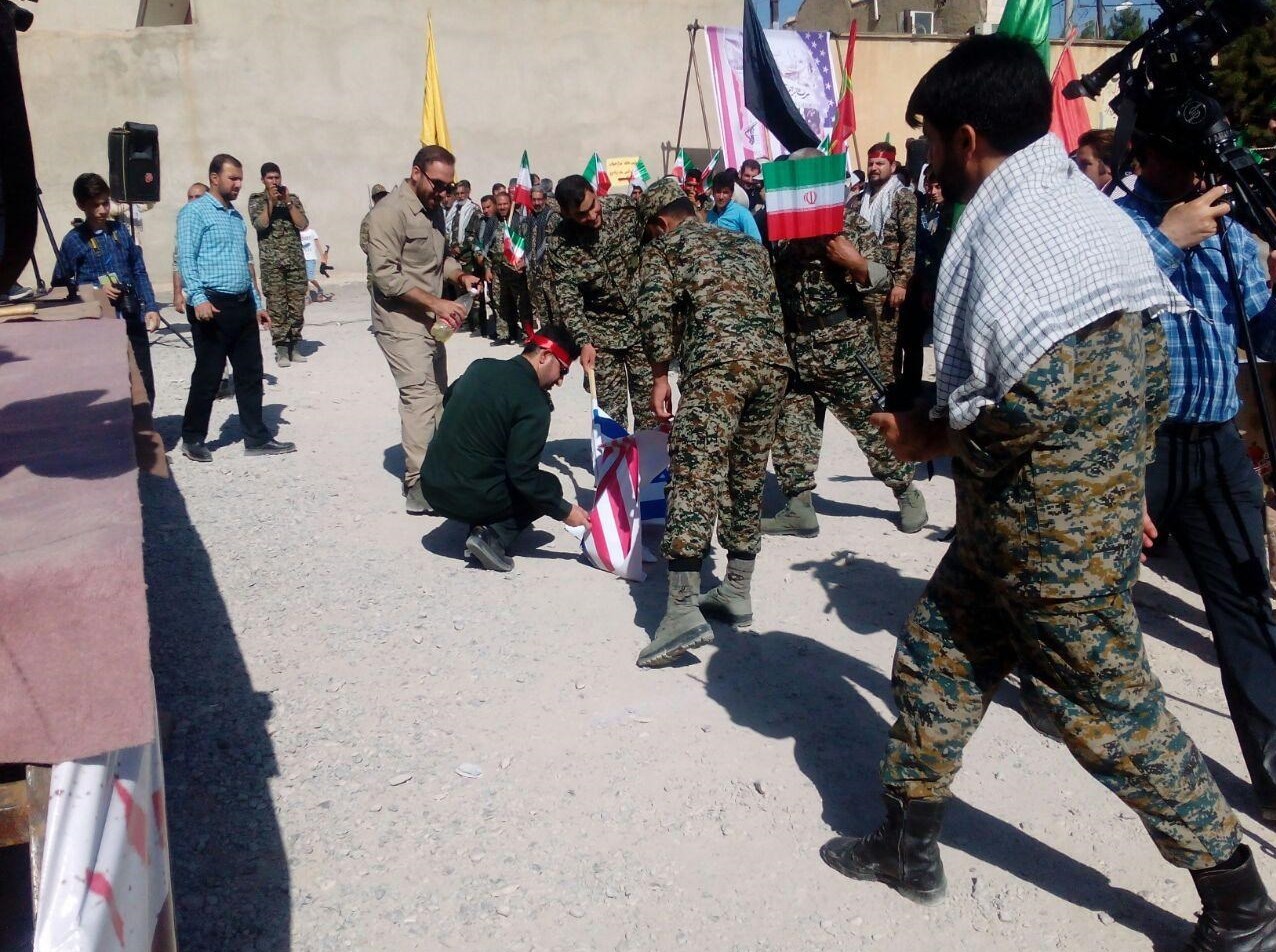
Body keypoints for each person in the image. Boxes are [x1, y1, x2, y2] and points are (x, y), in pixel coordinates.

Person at [831, 37, 1274, 951]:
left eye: (931, 142)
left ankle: (1242, 908)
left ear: (965, 137)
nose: (927, 162)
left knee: (1111, 715)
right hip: (1020, 521)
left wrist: (930, 437)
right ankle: (907, 843)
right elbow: (1147, 372)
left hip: (1051, 543)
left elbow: (1035, 398)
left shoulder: (1019, 238)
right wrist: (1115, 474)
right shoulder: (1082, 214)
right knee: (936, 658)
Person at [1117, 122, 1276, 824]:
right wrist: (1166, 239)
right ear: (1146, 153)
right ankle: (1036, 673)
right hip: (1134, 445)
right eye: (1181, 155)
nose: (1197, 171)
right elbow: (1091, 317)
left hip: (1216, 445)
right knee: (1086, 595)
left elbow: (1262, 334)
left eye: (1203, 159)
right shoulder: (1114, 225)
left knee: (1246, 606)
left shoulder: (1230, 232)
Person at [632, 177, 794, 668]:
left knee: (695, 473)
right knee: (746, 477)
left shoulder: (666, 248)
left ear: (660, 223)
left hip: (719, 369)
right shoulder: (746, 244)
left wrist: (660, 375)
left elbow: (655, 315)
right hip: (773, 368)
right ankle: (736, 590)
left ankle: (682, 609)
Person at [764, 149, 928, 537]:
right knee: (792, 428)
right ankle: (798, 506)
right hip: (797, 347)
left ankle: (907, 492)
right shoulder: (781, 233)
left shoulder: (848, 225)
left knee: (871, 426)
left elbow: (885, 281)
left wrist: (855, 264)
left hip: (845, 349)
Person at [364, 145, 478, 514]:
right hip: (399, 319)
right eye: (438, 184)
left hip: (430, 319)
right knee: (419, 395)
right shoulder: (388, 213)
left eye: (449, 186)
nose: (443, 193)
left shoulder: (434, 210)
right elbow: (386, 277)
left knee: (438, 394)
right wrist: (436, 303)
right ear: (416, 173)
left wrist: (459, 275)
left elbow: (439, 259)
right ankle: (418, 484)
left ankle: (439, 469)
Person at [420, 325, 589, 571]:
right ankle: (492, 536)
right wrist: (565, 510)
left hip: (431, 485)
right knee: (547, 486)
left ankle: (479, 518)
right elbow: (523, 475)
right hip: (465, 494)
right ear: (544, 356)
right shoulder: (534, 403)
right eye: (562, 370)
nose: (560, 381)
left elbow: (449, 399)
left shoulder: (480, 366)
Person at [177, 154, 295, 461]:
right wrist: (198, 298)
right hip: (212, 306)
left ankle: (256, 438)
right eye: (233, 178)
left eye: (240, 178)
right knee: (209, 375)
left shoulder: (234, 216)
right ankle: (193, 438)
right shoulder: (194, 212)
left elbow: (244, 261)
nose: (238, 184)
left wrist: (256, 302)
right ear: (214, 178)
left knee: (250, 373)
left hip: (241, 305)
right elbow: (186, 258)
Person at [546, 174, 657, 431]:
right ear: (566, 213)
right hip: (601, 331)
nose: (593, 215)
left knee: (649, 406)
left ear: (595, 193)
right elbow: (568, 297)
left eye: (593, 205)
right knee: (610, 414)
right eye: (582, 215)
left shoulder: (624, 210)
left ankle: (649, 456)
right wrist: (584, 341)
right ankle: (618, 456)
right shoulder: (560, 244)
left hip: (642, 324)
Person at [56, 172, 162, 404]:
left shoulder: (120, 231)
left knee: (143, 379)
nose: (102, 210)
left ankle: (145, 422)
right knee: (109, 382)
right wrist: (95, 290)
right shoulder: (73, 240)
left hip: (131, 314)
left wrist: (151, 307)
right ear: (81, 205)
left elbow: (139, 269)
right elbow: (60, 284)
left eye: (105, 203)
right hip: (99, 322)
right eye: (95, 205)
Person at [847, 142, 917, 380]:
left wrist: (902, 282)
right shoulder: (858, 200)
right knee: (864, 343)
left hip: (888, 283)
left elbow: (909, 242)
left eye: (880, 163)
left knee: (887, 346)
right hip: (861, 281)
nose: (874, 168)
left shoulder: (902, 197)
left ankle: (889, 394)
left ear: (893, 166)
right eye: (871, 163)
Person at [248, 162, 309, 368]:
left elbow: (303, 224)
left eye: (277, 177)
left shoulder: (292, 199)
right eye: (270, 178)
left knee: (297, 305)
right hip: (272, 264)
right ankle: (281, 347)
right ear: (263, 180)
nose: (274, 181)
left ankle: (295, 344)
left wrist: (288, 203)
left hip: (295, 261)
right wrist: (271, 203)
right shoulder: (257, 200)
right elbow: (260, 224)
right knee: (276, 306)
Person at [489, 191, 532, 344]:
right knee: (501, 302)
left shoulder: (520, 221)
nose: (502, 207)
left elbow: (527, 244)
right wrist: (488, 268)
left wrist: (524, 261)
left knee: (522, 303)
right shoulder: (493, 221)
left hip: (516, 269)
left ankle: (527, 335)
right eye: (499, 204)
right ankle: (505, 334)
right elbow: (488, 246)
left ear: (510, 204)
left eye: (505, 204)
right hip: (498, 269)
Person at [525, 186, 560, 329]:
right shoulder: (530, 218)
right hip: (535, 270)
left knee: (555, 306)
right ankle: (546, 334)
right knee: (541, 306)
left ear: (545, 199)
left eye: (539, 199)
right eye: (534, 200)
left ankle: (558, 335)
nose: (537, 203)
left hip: (550, 271)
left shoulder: (552, 217)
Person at [706, 170, 761, 241]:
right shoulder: (710, 215)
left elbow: (757, 241)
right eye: (718, 192)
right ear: (713, 192)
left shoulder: (742, 214)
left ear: (731, 194)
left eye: (725, 192)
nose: (721, 197)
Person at [1074, 128, 1116, 193]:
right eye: (1076, 165)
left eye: (1084, 164)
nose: (1076, 172)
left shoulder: (1121, 197)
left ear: (1109, 166)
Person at [299, 226, 331, 304]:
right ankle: (307, 297)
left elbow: (317, 244)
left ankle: (320, 289)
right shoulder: (297, 232)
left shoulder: (312, 232)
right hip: (301, 258)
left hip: (311, 258)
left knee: (310, 278)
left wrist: (323, 257)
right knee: (304, 279)